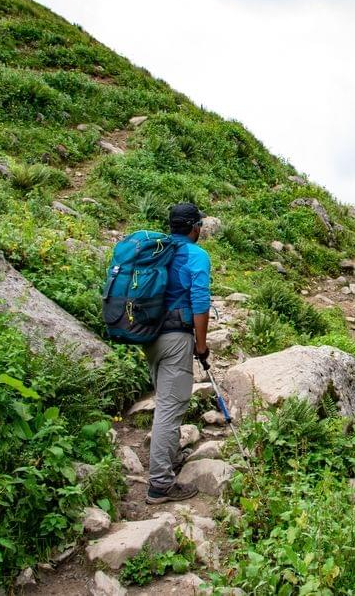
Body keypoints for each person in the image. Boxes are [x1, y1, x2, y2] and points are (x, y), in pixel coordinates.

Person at [143, 203, 212, 504]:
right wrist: (201, 344)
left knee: (165, 401)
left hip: (150, 336)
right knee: (170, 410)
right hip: (175, 338)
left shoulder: (159, 250)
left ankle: (168, 458)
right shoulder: (195, 255)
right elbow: (200, 302)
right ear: (195, 227)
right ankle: (160, 484)